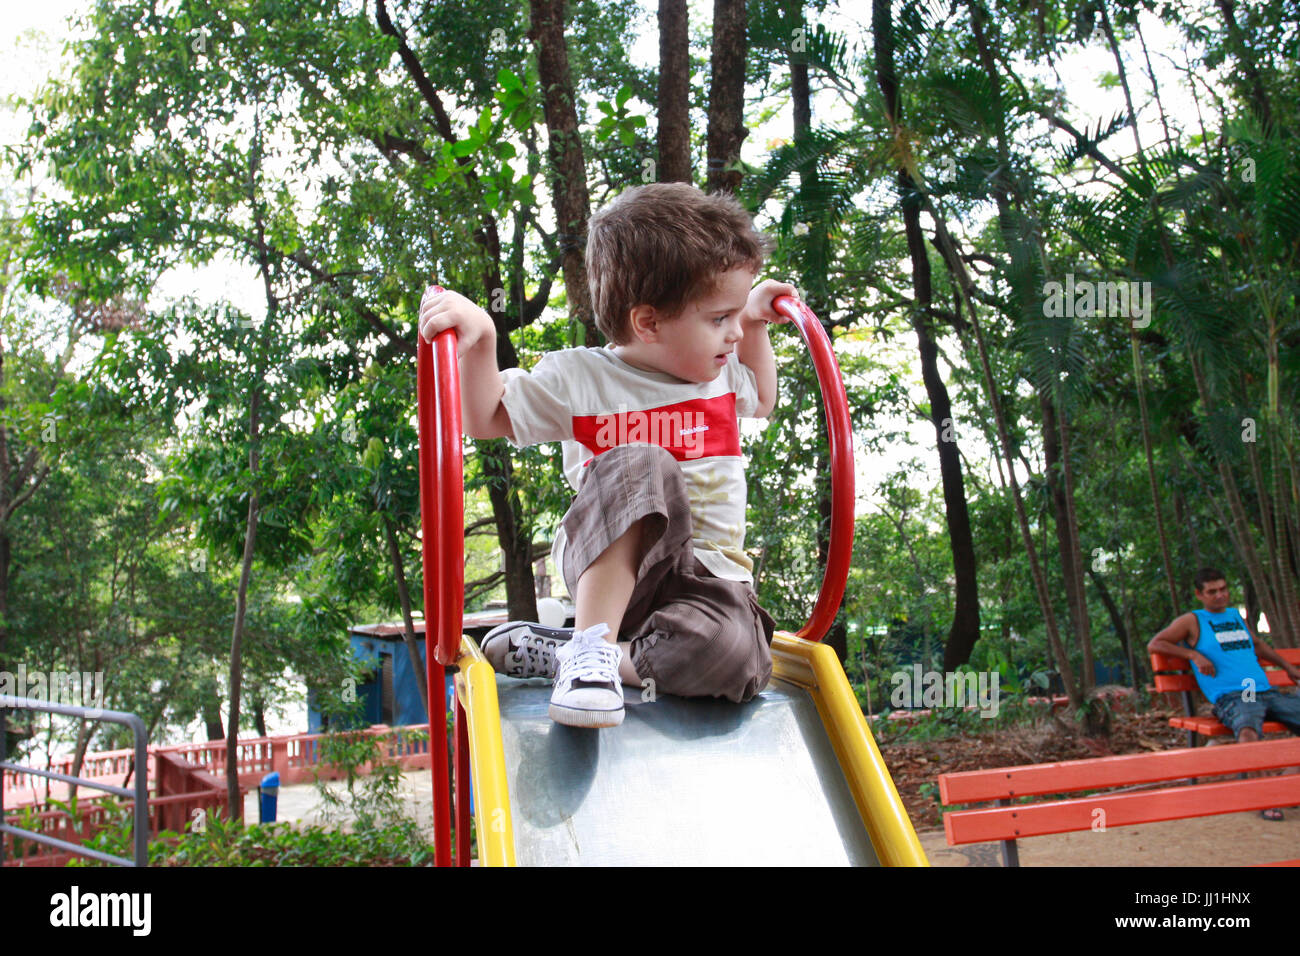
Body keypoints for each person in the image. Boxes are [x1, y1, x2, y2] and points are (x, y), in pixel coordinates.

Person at [418, 182, 796, 729]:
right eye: (720, 318)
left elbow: (762, 400)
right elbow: (486, 417)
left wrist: (756, 322)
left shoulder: (720, 374)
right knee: (641, 461)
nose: (733, 333)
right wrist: (480, 341)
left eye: (737, 317)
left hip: (705, 581)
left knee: (741, 657)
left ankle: (587, 657)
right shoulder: (581, 377)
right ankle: (592, 642)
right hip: (612, 563)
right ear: (648, 323)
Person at [1147, 567, 1300, 819]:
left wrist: (1287, 667)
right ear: (1200, 594)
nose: (1220, 595)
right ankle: (1267, 796)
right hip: (1237, 696)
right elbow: (1155, 643)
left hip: (1264, 691)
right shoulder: (1192, 620)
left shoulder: (1234, 616)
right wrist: (1194, 654)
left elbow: (1258, 645)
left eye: (1223, 589)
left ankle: (1285, 783)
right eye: (1212, 591)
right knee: (1248, 731)